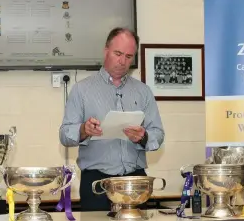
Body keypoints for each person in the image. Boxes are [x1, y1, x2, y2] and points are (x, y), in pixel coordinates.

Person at [59, 27, 165, 211]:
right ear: (105, 50)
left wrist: (143, 136)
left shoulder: (143, 91)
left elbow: (158, 133)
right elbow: (64, 134)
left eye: (129, 56)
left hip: (135, 180)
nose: (123, 61)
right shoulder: (82, 90)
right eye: (118, 53)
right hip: (96, 182)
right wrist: (84, 130)